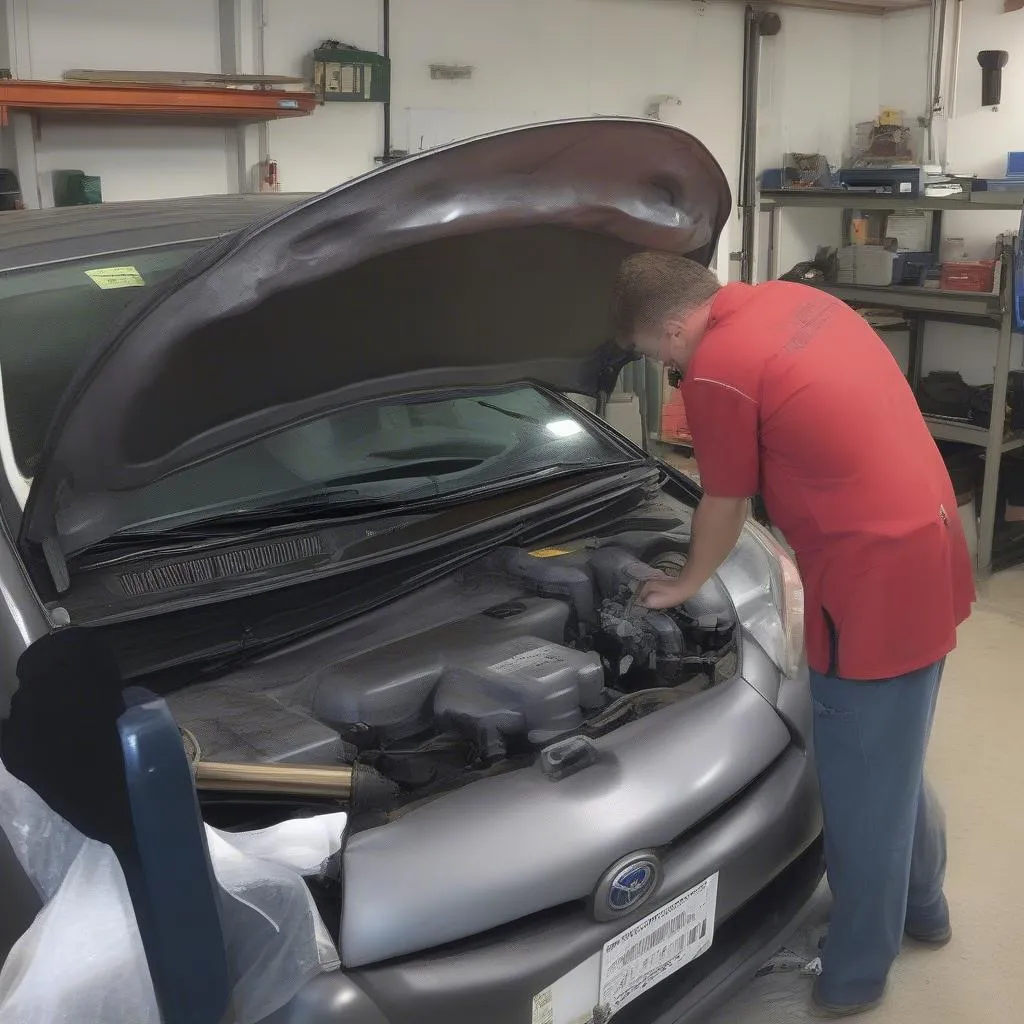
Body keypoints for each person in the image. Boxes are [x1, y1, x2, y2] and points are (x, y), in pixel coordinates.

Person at [610, 253, 975, 1019]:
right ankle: (924, 909)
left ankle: (852, 975)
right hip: (931, 539)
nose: (666, 366)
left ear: (676, 325)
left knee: (861, 788)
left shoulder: (718, 367)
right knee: (895, 756)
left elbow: (724, 500)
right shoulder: (794, 302)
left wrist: (680, 582)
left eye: (657, 352)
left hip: (868, 579)